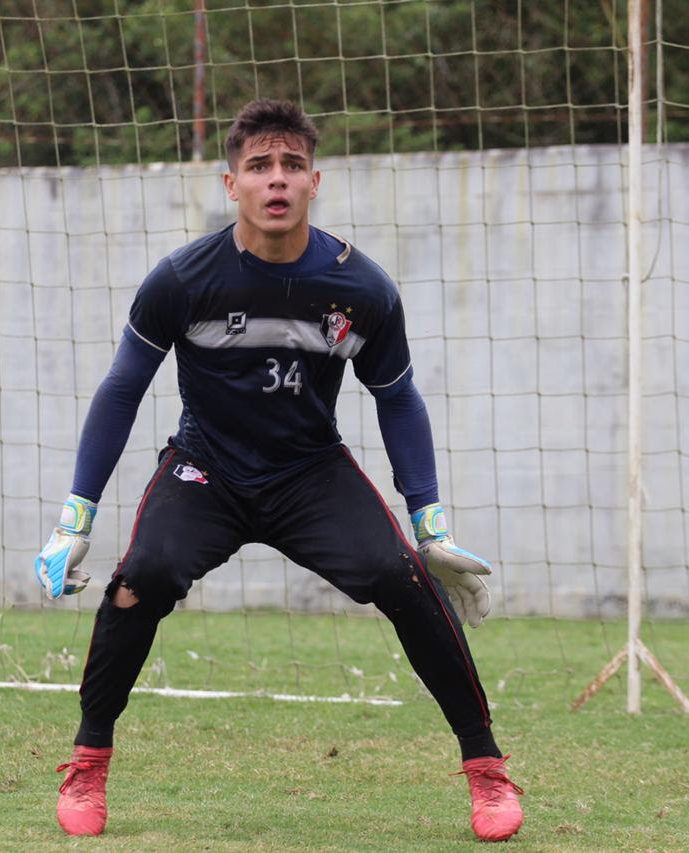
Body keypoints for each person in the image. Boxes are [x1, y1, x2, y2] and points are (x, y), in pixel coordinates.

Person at [34, 99, 524, 843]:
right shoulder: (181, 280)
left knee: (403, 580)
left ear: (314, 181)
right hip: (207, 469)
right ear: (232, 183)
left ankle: (487, 771)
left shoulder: (361, 288)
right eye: (259, 165)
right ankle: (88, 761)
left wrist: (429, 523)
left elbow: (398, 399)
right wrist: (76, 516)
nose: (276, 180)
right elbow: (122, 388)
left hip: (308, 474)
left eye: (291, 165)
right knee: (141, 579)